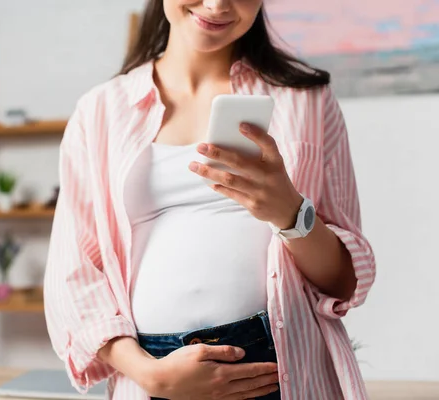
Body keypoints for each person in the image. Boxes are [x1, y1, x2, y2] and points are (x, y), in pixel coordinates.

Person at [44, 0, 376, 399]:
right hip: (152, 371)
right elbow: (74, 274)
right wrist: (149, 374)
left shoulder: (307, 100)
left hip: (277, 365)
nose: (218, 5)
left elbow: (344, 281)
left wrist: (290, 212)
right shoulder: (98, 112)